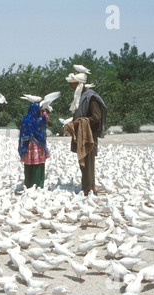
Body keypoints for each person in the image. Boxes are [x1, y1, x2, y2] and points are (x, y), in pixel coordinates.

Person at [63, 65, 107, 196]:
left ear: (78, 84)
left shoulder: (90, 97)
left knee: (87, 162)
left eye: (72, 84)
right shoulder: (82, 96)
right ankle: (89, 186)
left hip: (89, 135)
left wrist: (78, 122)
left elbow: (96, 117)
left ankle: (87, 189)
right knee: (85, 162)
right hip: (82, 134)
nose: (71, 87)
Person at [18, 101, 50, 189]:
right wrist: (44, 110)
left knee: (28, 164)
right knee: (38, 163)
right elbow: (46, 118)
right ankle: (38, 184)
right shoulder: (39, 119)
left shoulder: (25, 119)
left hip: (27, 146)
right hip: (38, 146)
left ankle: (28, 183)